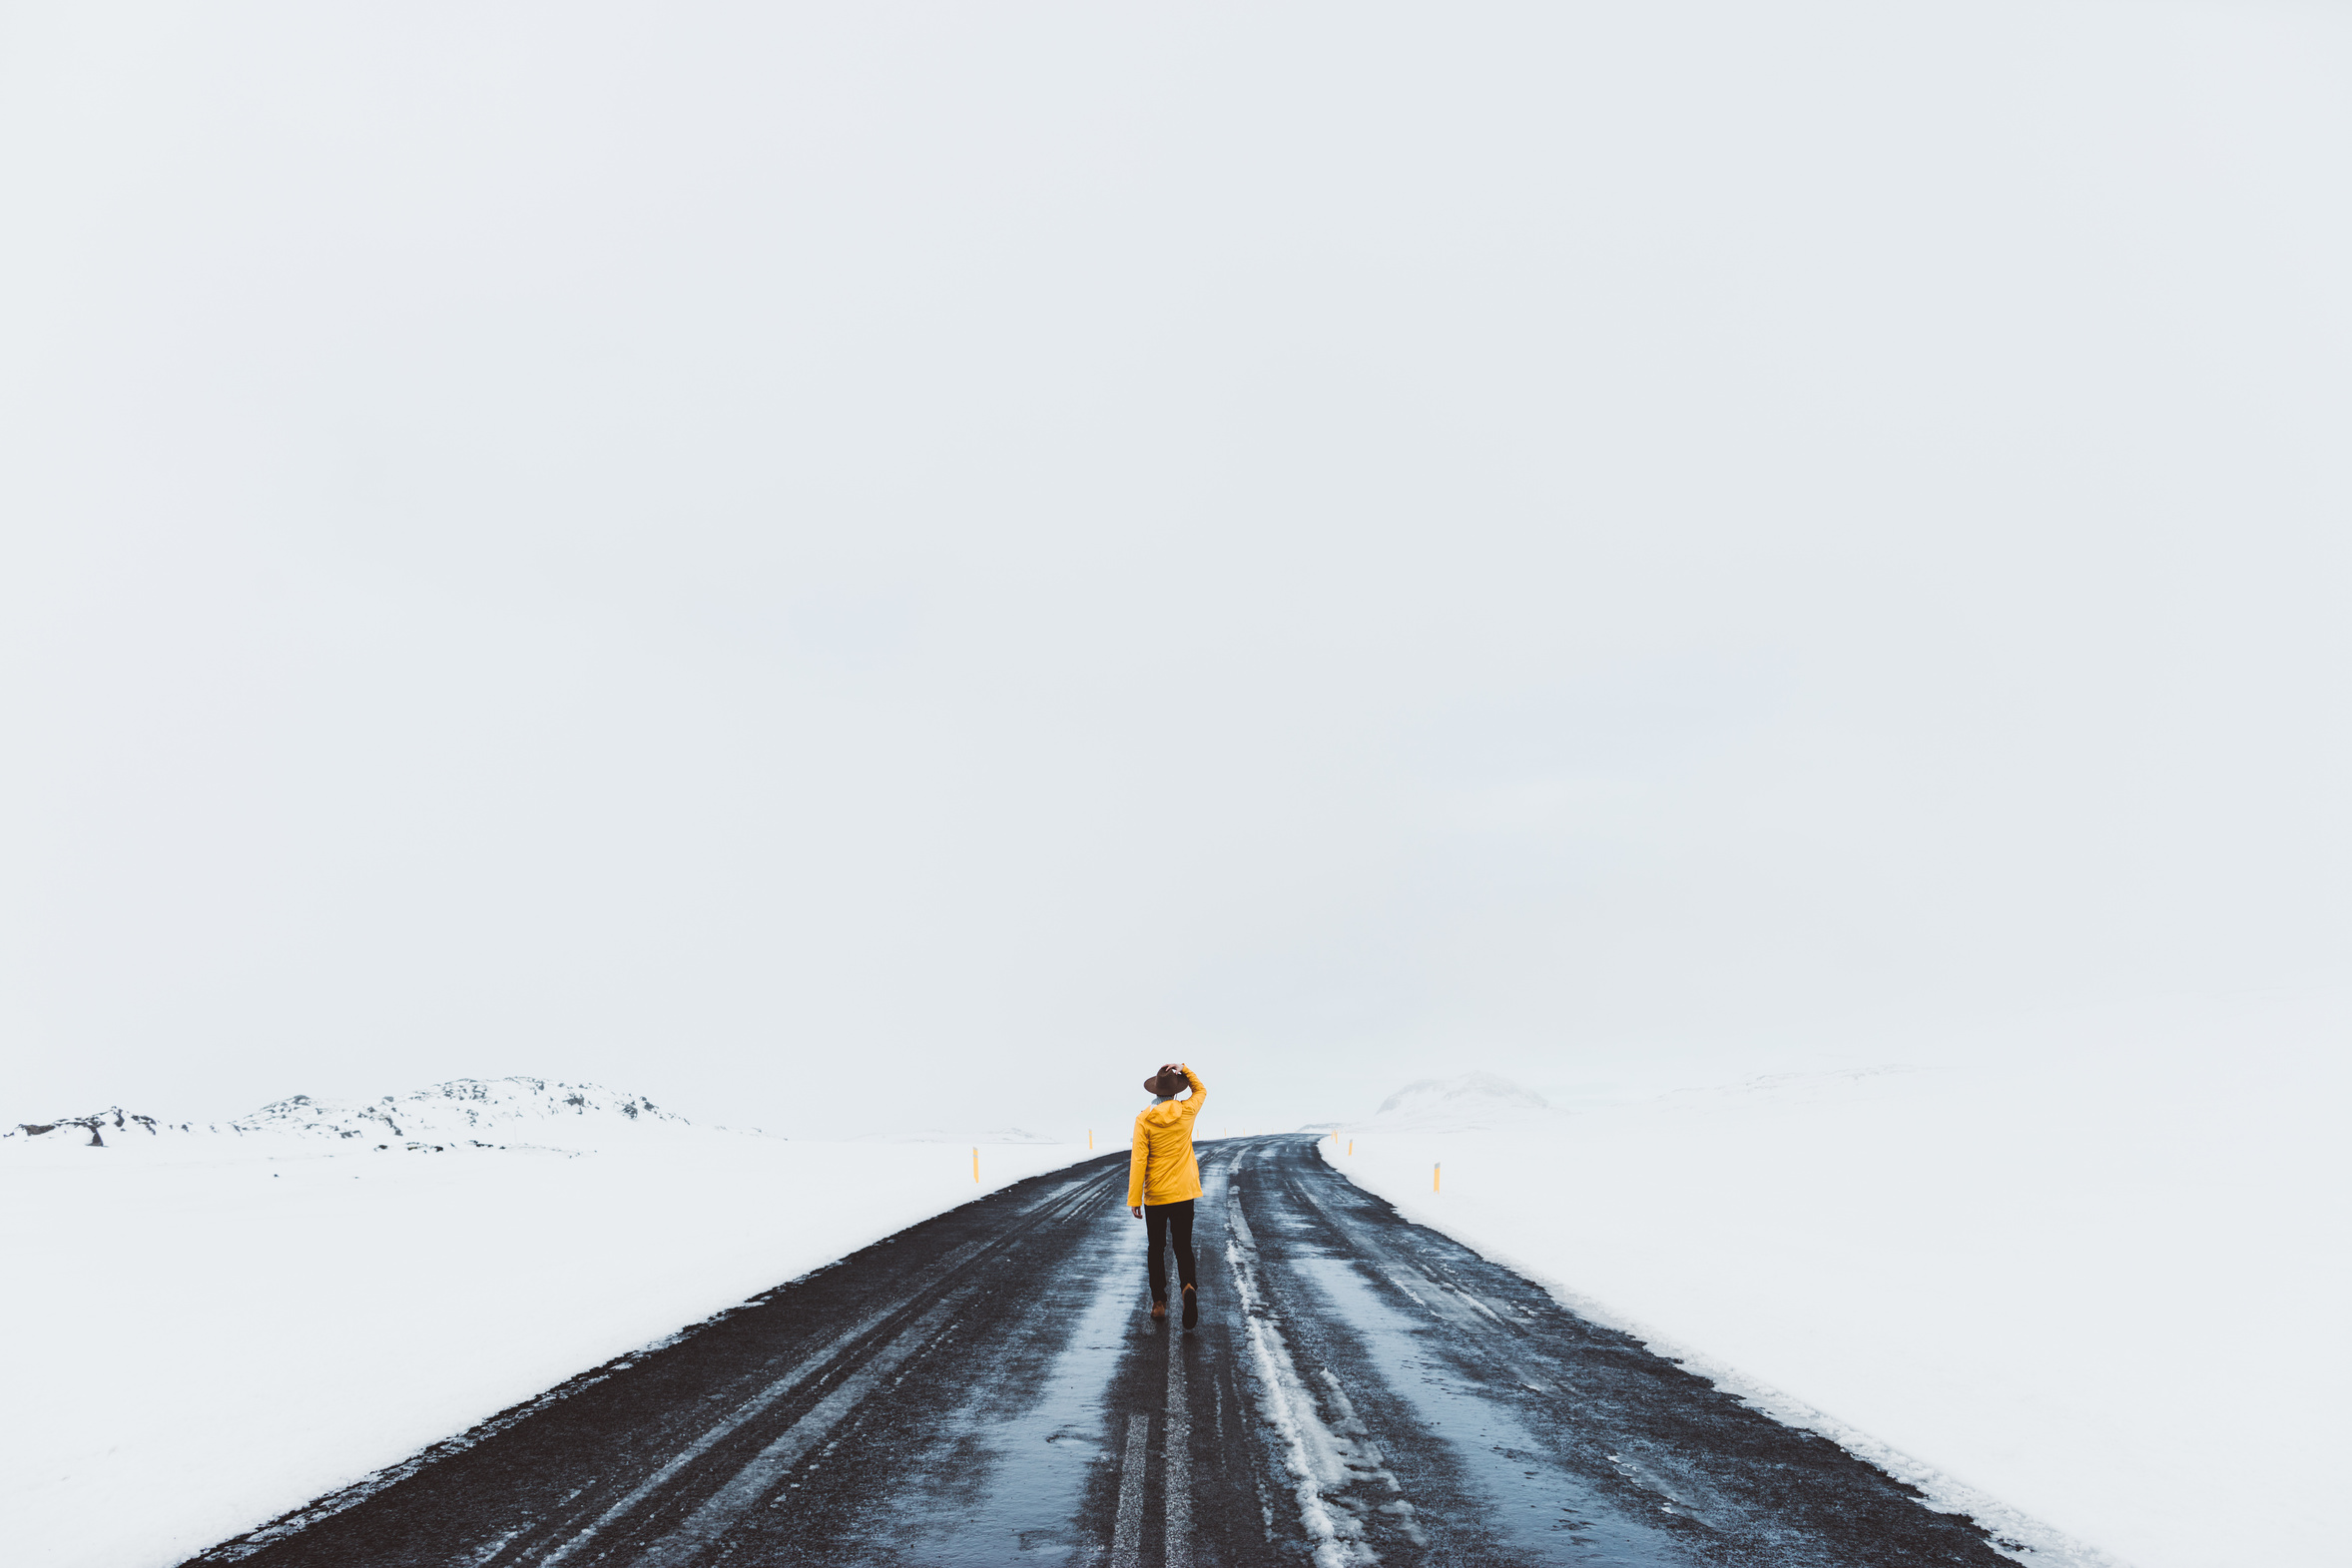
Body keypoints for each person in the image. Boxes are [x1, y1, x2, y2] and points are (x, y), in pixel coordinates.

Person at [1127, 1061, 1206, 1328]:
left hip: (1156, 1196)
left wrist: (1134, 1198)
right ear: (1175, 1093)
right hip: (1184, 1192)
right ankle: (1187, 1286)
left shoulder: (1144, 1119)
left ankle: (1159, 1303)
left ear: (1156, 1092)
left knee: (1156, 1248)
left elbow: (1139, 1160)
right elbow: (1201, 1091)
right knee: (1183, 1246)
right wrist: (1184, 1068)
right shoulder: (1186, 1111)